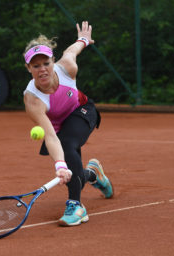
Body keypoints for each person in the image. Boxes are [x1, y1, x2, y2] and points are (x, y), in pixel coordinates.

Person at [23, 21, 113, 226]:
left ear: (53, 61)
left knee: (67, 144)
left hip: (82, 111)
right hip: (58, 127)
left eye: (46, 63)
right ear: (28, 68)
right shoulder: (33, 100)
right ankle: (93, 174)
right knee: (76, 178)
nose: (42, 69)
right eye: (36, 66)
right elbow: (50, 135)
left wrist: (83, 40)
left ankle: (76, 206)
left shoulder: (67, 68)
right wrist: (60, 165)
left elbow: (71, 50)